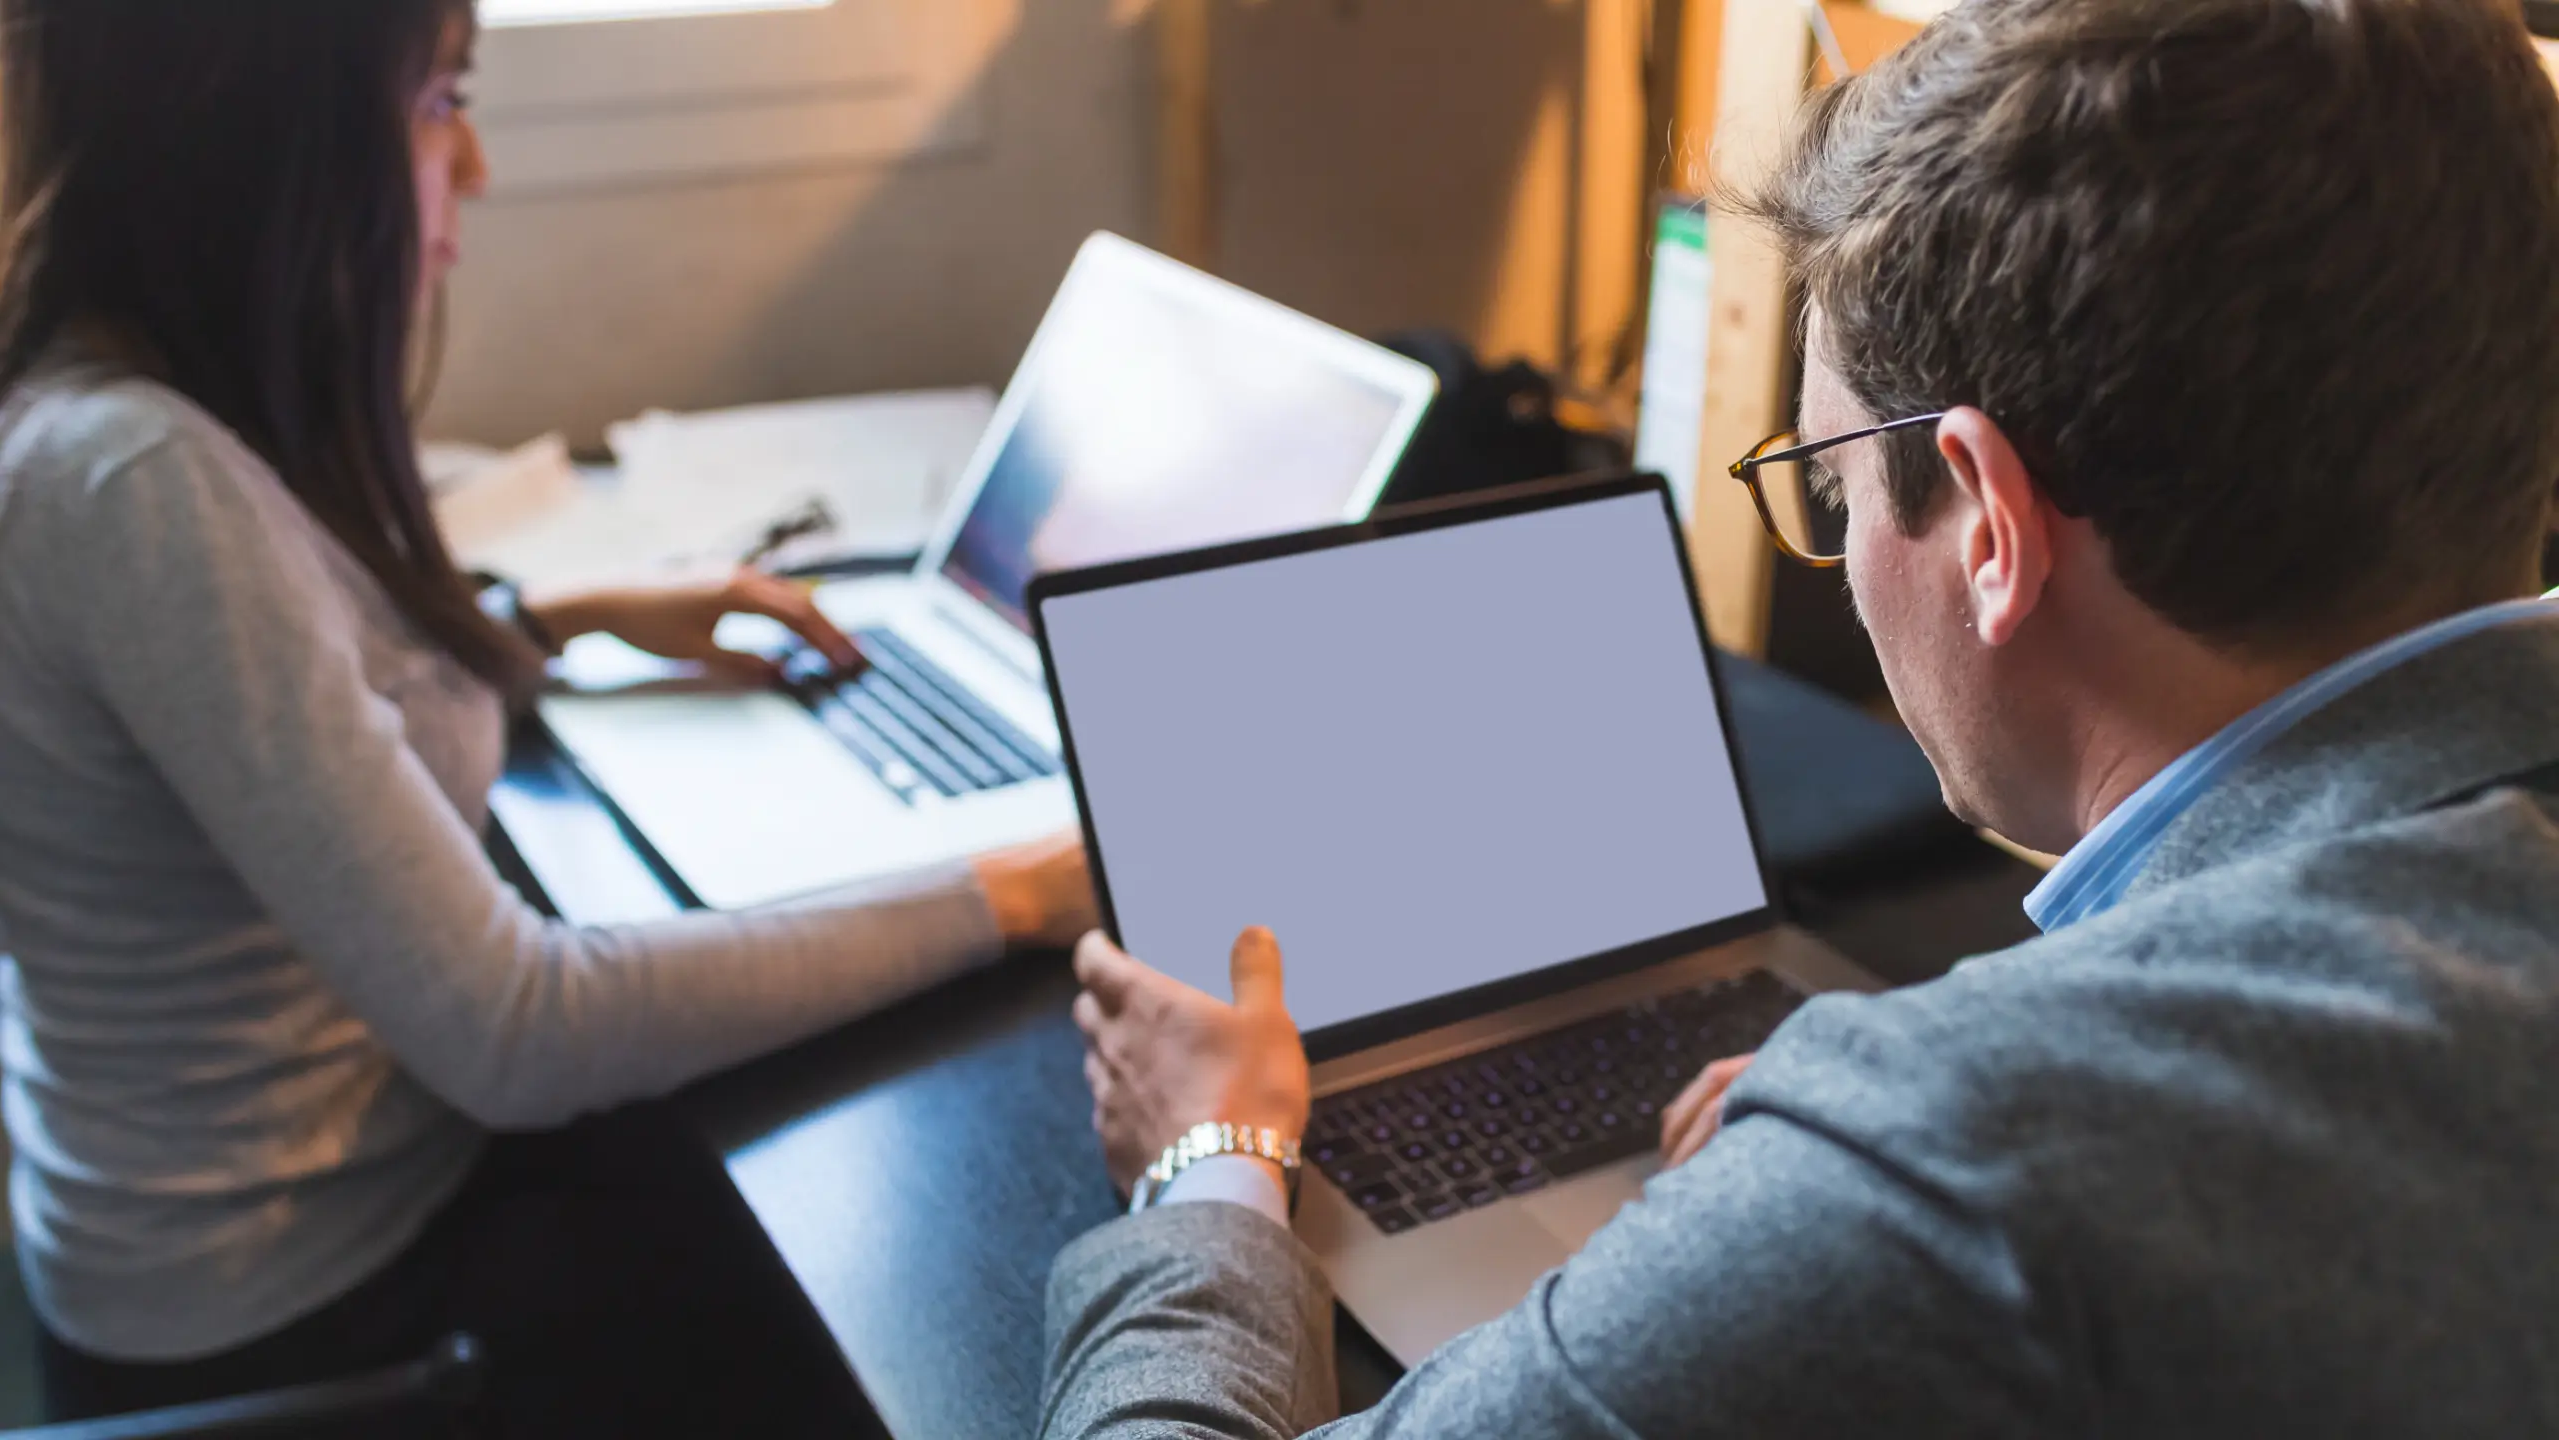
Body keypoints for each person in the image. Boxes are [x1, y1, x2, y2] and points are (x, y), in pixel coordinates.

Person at [1044, 0, 2559, 1432]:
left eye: (1828, 487)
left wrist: (1215, 1156)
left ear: (1985, 522)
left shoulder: (1947, 1161)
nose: (1834, 544)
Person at [0, 1, 1092, 1432]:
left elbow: (285, 698)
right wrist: (1012, 892)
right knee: (928, 1283)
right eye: (442, 99)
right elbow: (520, 1027)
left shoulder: (146, 395)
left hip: (326, 1206)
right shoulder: (134, 480)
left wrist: (554, 624)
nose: (478, 163)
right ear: (268, 139)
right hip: (292, 1312)